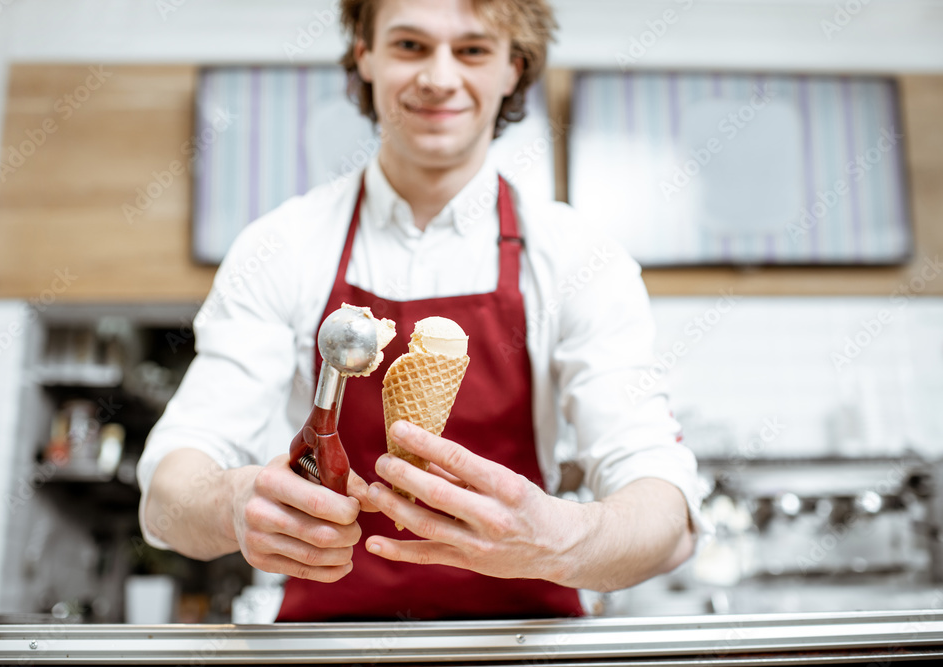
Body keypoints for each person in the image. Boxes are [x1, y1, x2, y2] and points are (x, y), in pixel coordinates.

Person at [137, 0, 707, 621]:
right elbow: (168, 495)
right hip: (332, 654)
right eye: (410, 45)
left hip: (520, 654)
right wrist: (230, 503)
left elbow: (669, 517)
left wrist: (563, 539)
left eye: (472, 50)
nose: (439, 77)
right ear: (366, 55)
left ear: (513, 68)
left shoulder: (578, 258)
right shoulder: (282, 246)